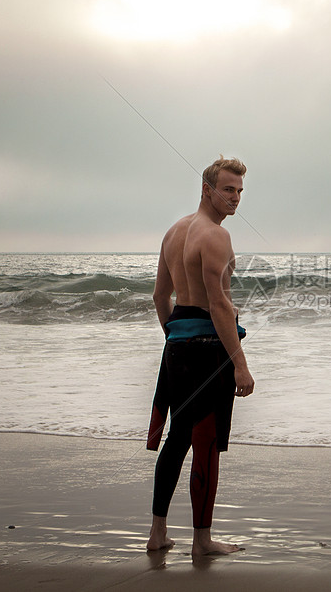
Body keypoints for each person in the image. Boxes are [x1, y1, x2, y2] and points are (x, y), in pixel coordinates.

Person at [145, 156, 255, 555]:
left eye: (240, 191)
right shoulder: (216, 236)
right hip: (209, 353)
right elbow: (220, 306)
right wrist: (240, 365)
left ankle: (157, 533)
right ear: (207, 189)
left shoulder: (173, 233)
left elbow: (161, 297)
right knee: (205, 443)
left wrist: (176, 338)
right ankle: (202, 541)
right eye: (228, 189)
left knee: (178, 439)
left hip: (178, 347)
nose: (235, 198)